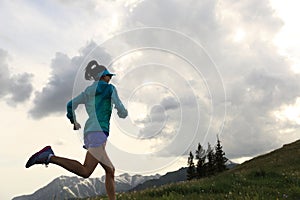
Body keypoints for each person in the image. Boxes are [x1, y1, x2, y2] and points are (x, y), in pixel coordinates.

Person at [25, 60, 128, 200]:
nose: (110, 78)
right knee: (86, 171)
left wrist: (74, 121)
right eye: (109, 76)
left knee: (110, 170)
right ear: (103, 76)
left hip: (90, 131)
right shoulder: (110, 89)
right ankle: (48, 157)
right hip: (99, 132)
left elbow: (70, 105)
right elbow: (119, 105)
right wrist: (123, 112)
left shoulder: (87, 92)